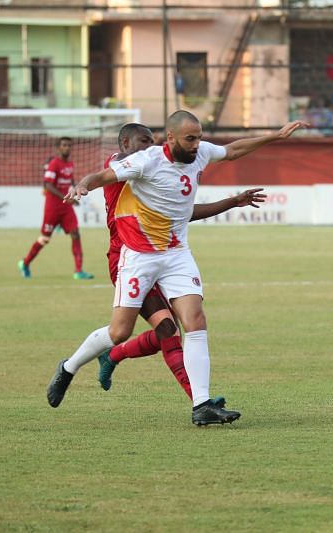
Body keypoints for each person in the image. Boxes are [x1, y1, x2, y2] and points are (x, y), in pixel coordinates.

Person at [46, 111, 308, 426]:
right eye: (190, 138)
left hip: (176, 253)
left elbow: (233, 150)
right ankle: (69, 367)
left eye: (199, 137)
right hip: (138, 256)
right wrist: (82, 186)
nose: (198, 145)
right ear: (171, 138)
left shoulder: (200, 153)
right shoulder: (145, 162)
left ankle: (201, 405)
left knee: (194, 320)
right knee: (120, 331)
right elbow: (102, 176)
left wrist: (276, 136)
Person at [97, 123, 264, 409]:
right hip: (130, 256)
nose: (148, 147)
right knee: (165, 329)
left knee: (177, 326)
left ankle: (197, 399)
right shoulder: (123, 165)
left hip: (164, 253)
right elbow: (106, 173)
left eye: (152, 141)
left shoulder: (155, 166)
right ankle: (198, 400)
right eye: (142, 141)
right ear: (124, 143)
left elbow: (183, 212)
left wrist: (231, 200)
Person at [18, 137, 94, 280]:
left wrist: (74, 194)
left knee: (76, 234)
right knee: (44, 239)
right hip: (52, 207)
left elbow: (70, 181)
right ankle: (25, 262)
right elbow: (48, 185)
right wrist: (65, 197)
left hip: (66, 207)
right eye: (64, 145)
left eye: (69, 145)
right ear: (58, 148)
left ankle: (78, 271)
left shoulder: (70, 164)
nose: (67, 148)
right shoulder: (54, 164)